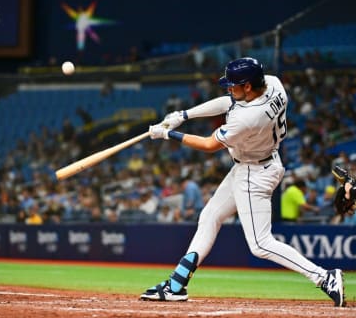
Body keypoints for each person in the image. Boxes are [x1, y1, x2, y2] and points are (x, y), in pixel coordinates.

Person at [140, 57, 345, 307]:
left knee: (260, 244)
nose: (229, 88)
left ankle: (325, 277)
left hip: (254, 172)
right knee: (210, 216)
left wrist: (167, 134)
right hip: (259, 163)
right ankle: (176, 284)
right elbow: (228, 102)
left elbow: (209, 144)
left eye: (234, 84)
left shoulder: (249, 117)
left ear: (248, 86)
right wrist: (184, 115)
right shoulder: (273, 83)